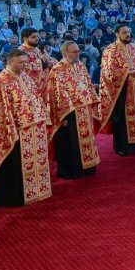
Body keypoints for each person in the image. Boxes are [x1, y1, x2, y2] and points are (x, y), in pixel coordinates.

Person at [0, 50, 52, 207]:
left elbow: (37, 98)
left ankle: (36, 190)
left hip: (34, 129)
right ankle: (16, 197)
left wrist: (43, 119)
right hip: (15, 132)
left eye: (25, 62)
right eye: (20, 62)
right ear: (10, 62)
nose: (24, 65)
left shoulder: (25, 77)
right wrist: (10, 130)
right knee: (14, 165)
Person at [46, 40, 101, 180]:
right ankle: (72, 171)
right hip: (69, 113)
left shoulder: (80, 66)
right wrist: (61, 117)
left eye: (78, 51)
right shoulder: (57, 70)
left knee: (86, 140)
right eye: (74, 51)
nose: (78, 54)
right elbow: (54, 95)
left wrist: (92, 103)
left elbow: (88, 85)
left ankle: (88, 167)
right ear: (65, 53)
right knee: (70, 142)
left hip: (85, 111)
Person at [97, 26, 135, 156]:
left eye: (129, 32)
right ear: (117, 34)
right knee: (122, 117)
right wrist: (128, 72)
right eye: (124, 32)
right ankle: (124, 146)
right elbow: (108, 71)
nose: (127, 34)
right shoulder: (110, 50)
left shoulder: (134, 47)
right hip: (121, 92)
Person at [18, 27, 54, 99]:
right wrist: (41, 61)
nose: (37, 38)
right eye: (33, 37)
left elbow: (49, 59)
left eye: (37, 36)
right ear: (25, 39)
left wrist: (51, 63)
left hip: (46, 86)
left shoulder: (37, 48)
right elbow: (24, 69)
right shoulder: (20, 52)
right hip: (32, 89)